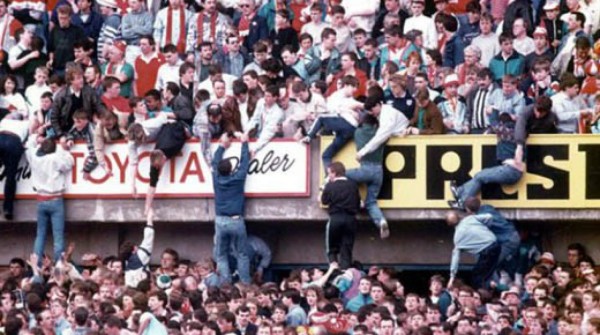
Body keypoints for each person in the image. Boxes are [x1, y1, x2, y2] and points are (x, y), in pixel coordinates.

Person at [25, 131, 74, 263]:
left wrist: (38, 135)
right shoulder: (54, 158)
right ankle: (58, 264)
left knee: (40, 235)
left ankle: (37, 267)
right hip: (56, 199)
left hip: (41, 199)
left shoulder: (33, 156)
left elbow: (29, 143)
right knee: (58, 236)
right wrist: (63, 149)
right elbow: (70, 162)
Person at [211, 132, 251, 284]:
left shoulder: (216, 178)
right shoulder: (238, 178)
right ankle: (245, 283)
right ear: (231, 169)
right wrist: (244, 143)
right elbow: (244, 162)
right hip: (236, 220)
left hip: (220, 220)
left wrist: (222, 146)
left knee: (221, 255)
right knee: (242, 254)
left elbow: (214, 162)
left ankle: (225, 285)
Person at [345, 114, 390, 239]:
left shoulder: (357, 132)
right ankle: (381, 221)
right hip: (379, 171)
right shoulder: (380, 133)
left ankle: (358, 200)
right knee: (371, 202)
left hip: (365, 168)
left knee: (342, 175)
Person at [463, 197, 520, 285]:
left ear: (468, 210)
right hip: (510, 235)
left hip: (507, 240)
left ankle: (494, 287)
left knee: (489, 263)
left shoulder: (480, 220)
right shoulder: (487, 207)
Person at [445, 210, 500, 289]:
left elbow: (455, 259)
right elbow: (489, 217)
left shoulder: (457, 239)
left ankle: (488, 290)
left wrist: (452, 277)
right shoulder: (470, 219)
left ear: (449, 224)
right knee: (488, 271)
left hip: (487, 251)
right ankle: (492, 284)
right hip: (496, 244)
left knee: (477, 276)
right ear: (459, 216)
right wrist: (485, 228)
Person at [320, 162, 360, 269]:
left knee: (331, 247)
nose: (329, 176)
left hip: (336, 217)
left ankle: (333, 267)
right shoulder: (353, 185)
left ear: (334, 172)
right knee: (346, 248)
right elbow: (358, 203)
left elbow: (323, 201)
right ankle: (345, 270)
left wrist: (324, 186)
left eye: (329, 174)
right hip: (351, 219)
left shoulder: (330, 185)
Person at [144, 121, 190, 213]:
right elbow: (151, 186)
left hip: (180, 126)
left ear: (164, 159)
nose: (158, 169)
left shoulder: (174, 146)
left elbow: (184, 132)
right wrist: (147, 207)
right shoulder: (155, 158)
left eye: (159, 166)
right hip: (165, 129)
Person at [0, 111, 28, 220]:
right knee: (11, 177)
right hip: (14, 141)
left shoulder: (4, 120)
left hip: (1, 137)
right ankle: (8, 209)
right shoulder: (25, 123)